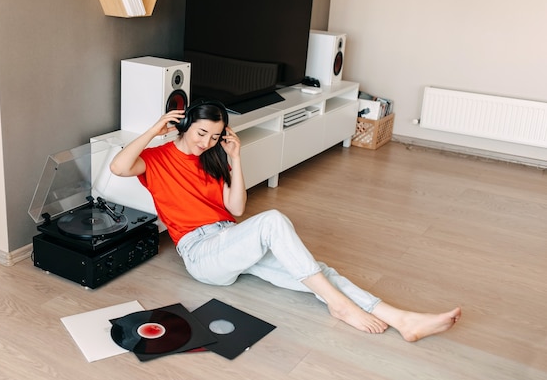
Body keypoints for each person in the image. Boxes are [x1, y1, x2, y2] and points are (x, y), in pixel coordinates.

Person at [110, 100, 461, 342]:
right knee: (274, 221)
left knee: (317, 271)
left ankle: (403, 319)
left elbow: (235, 211)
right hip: (201, 254)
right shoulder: (155, 159)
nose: (207, 142)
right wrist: (155, 127)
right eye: (201, 133)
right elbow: (119, 167)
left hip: (230, 239)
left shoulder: (216, 158)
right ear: (183, 125)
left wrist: (235, 157)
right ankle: (340, 306)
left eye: (215, 136)